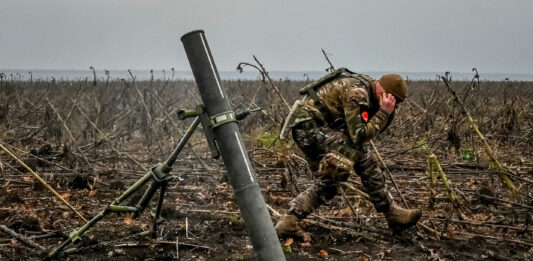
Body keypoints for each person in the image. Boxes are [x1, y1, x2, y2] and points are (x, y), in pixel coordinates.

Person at [275, 68, 421, 239]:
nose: (393, 104)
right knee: (362, 155)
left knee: (330, 182)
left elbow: (364, 130)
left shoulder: (371, 89)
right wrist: (383, 113)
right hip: (308, 128)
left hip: (320, 127)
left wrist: (386, 113)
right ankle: (391, 213)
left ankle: (289, 222)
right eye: (393, 99)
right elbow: (358, 135)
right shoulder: (358, 93)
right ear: (383, 91)